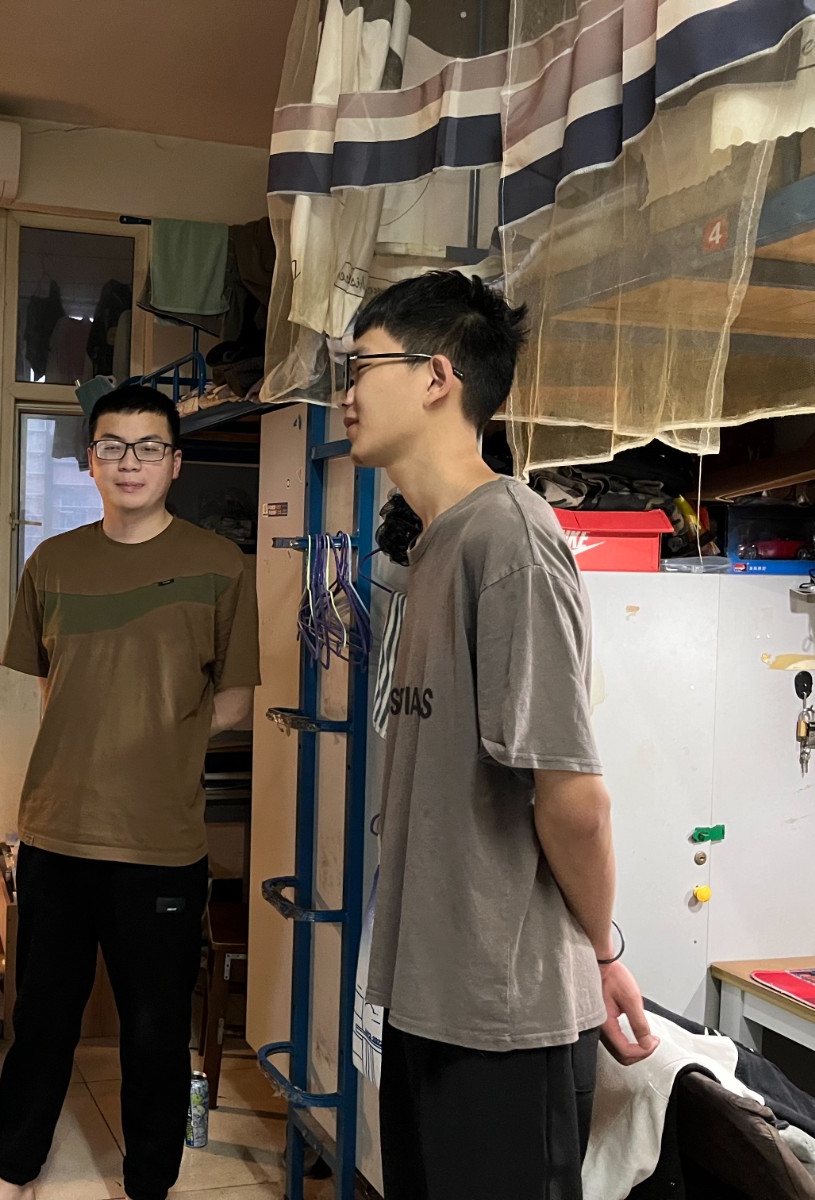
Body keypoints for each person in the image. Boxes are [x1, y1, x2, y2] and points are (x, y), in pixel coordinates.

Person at [341, 272, 659, 1199]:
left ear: (437, 377)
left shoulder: (511, 539)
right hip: (433, 996)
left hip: (503, 1017)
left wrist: (602, 954)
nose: (346, 393)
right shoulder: (438, 543)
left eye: (361, 367)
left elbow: (575, 799)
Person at [0, 384, 260, 1200]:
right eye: (111, 446)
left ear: (175, 463)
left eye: (147, 447)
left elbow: (235, 703)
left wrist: (157, 738)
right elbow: (51, 688)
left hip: (160, 844)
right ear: (89, 462)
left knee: (155, 1029)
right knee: (41, 1019)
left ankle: (149, 1186)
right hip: (56, 835)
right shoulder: (52, 563)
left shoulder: (220, 566)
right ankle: (14, 1173)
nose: (129, 462)